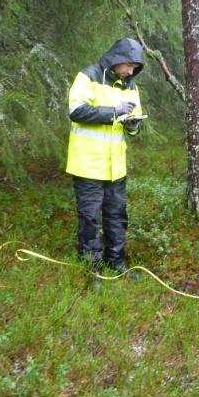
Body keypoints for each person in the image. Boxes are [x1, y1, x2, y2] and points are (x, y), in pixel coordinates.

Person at [65, 37, 145, 274]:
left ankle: (116, 262)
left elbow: (135, 123)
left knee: (117, 217)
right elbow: (76, 111)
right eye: (129, 65)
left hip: (116, 167)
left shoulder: (131, 87)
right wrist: (113, 112)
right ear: (117, 59)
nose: (131, 71)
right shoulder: (87, 77)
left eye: (135, 68)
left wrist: (132, 125)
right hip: (87, 166)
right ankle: (92, 267)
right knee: (90, 218)